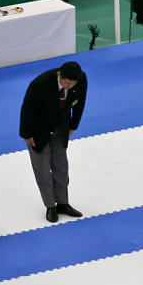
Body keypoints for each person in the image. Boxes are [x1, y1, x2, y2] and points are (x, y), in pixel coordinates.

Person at [19, 61, 88, 223]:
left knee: (61, 168)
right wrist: (26, 134)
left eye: (73, 84)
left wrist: (73, 126)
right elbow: (27, 110)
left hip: (61, 129)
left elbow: (80, 103)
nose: (70, 87)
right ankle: (50, 206)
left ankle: (63, 203)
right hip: (38, 132)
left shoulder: (81, 79)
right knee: (43, 170)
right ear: (59, 75)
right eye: (67, 83)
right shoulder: (40, 84)